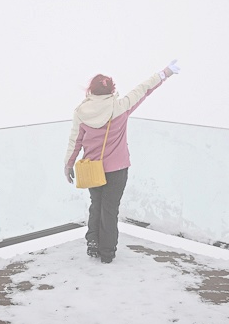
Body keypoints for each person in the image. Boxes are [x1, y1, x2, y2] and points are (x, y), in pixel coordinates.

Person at [64, 60, 180, 263]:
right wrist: (165, 73)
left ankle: (93, 242)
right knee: (110, 210)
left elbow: (75, 141)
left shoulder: (81, 113)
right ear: (112, 90)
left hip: (92, 169)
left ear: (90, 90)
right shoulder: (121, 107)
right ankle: (107, 253)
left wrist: (69, 164)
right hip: (117, 170)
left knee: (96, 205)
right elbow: (144, 88)